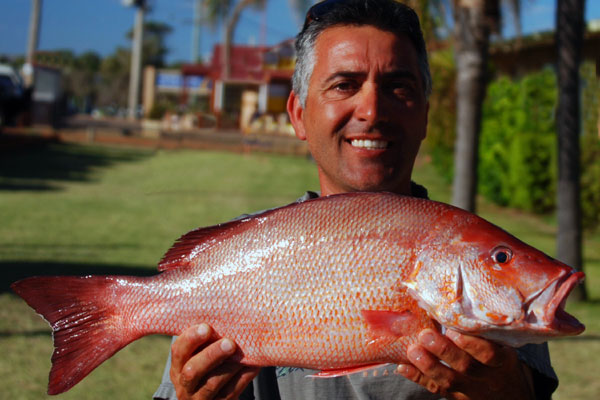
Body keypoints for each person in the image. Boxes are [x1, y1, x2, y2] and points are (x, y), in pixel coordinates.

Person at [154, 1, 558, 399]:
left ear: (425, 115)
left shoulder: (479, 263)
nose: (371, 109)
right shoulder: (237, 254)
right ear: (298, 113)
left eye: (398, 86)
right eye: (344, 85)